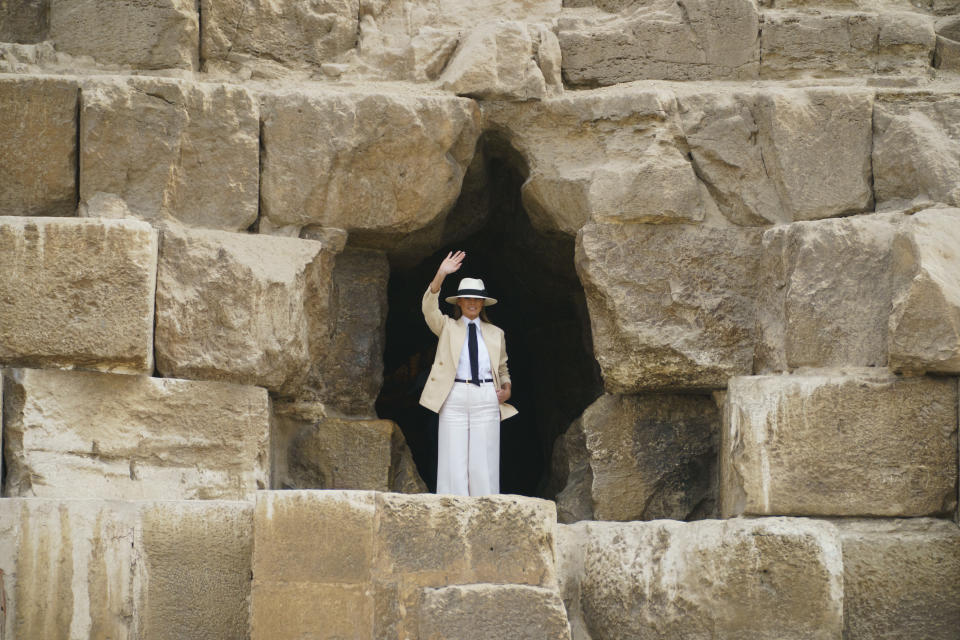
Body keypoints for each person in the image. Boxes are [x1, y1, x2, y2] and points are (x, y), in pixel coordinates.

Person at [419, 250, 517, 496]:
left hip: (486, 395)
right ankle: (453, 510)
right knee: (453, 457)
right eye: (467, 299)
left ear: (483, 302)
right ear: (459, 302)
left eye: (477, 299)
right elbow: (428, 309)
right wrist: (441, 274)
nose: (472, 303)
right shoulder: (447, 328)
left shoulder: (496, 333)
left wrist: (507, 388)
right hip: (454, 393)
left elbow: (503, 367)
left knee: (484, 459)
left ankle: (485, 509)